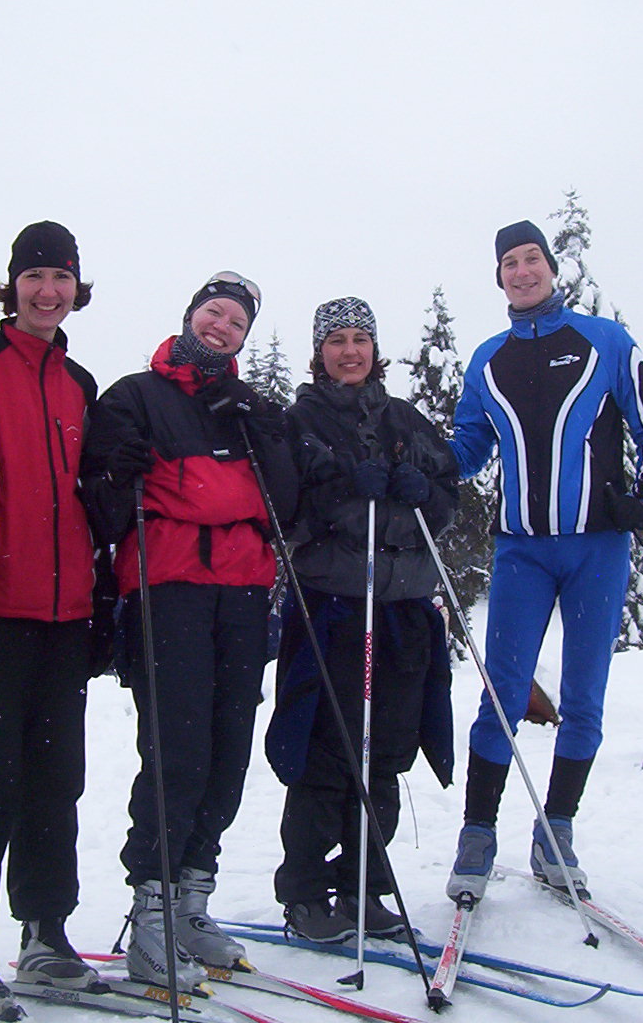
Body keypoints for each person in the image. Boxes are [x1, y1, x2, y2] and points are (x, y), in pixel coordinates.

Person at [445, 220, 643, 902]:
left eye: (531, 259)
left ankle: (557, 831)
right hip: (522, 551)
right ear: (499, 277)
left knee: (583, 701)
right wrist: (412, 459)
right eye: (509, 263)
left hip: (597, 548)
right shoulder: (488, 359)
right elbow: (467, 450)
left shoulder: (605, 341)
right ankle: (477, 833)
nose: (522, 271)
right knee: (502, 696)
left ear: (551, 267)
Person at [81, 271, 297, 987]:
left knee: (230, 746)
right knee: (178, 748)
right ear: (190, 316)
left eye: (236, 323)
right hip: (166, 587)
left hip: (241, 591)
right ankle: (150, 912)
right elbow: (105, 506)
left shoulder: (250, 408)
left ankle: (191, 899)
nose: (222, 328)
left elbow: (286, 502)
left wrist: (257, 429)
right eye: (213, 313)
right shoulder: (135, 396)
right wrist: (124, 474)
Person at [0, 221, 108, 1016]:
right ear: (11, 286)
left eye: (61, 277)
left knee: (57, 781)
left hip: (65, 613)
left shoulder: (82, 383)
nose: (48, 290)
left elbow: (91, 494)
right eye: (34, 276)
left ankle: (45, 931)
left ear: (78, 287)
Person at [265, 297, 457, 943]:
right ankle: (303, 891)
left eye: (360, 339)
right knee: (329, 753)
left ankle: (363, 884)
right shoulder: (301, 422)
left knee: (384, 756)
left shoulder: (406, 421)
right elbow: (286, 511)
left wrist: (424, 492)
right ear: (318, 351)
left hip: (402, 608)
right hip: (334, 606)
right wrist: (346, 488)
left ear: (375, 348)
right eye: (337, 340)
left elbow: (450, 499)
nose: (350, 350)